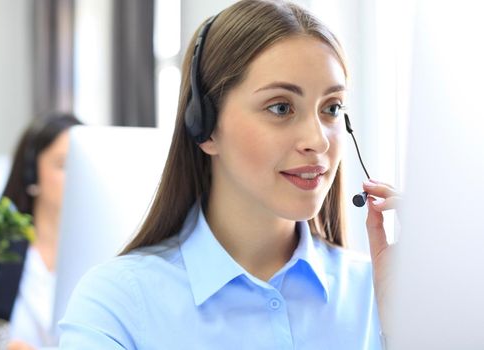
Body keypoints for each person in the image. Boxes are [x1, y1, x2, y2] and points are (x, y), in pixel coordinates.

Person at [59, 1, 400, 349]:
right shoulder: (119, 304)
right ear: (204, 126)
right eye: (280, 107)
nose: (317, 141)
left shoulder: (375, 293)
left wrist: (408, 330)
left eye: (331, 108)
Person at [0, 113, 82, 350]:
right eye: (63, 164)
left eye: (82, 165)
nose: (77, 175)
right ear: (31, 173)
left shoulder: (104, 251)